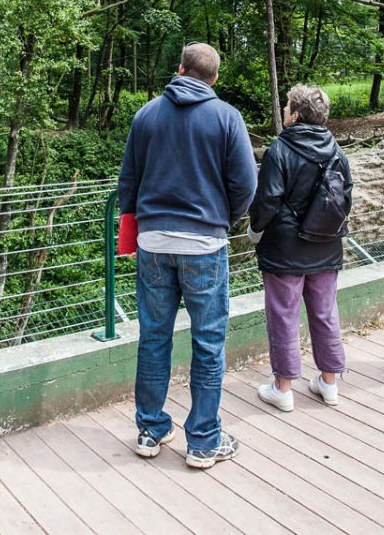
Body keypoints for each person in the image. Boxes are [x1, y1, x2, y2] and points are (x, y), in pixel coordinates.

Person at [118, 42, 257, 470]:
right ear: (214, 78)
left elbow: (129, 183)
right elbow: (246, 185)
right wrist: (223, 219)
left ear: (179, 69)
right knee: (208, 341)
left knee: (154, 337)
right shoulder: (227, 118)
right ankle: (202, 441)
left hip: (155, 243)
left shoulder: (147, 115)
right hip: (204, 245)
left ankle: (150, 429)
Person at [247, 84, 352, 411]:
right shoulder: (337, 150)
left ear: (295, 114)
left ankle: (283, 388)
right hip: (326, 243)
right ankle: (329, 382)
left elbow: (266, 200)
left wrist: (254, 230)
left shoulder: (280, 149)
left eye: (287, 107)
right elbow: (345, 197)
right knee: (324, 312)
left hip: (285, 249)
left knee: (284, 314)